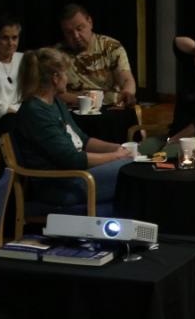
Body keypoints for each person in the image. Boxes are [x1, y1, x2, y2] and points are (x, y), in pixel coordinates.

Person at [13, 48, 130, 206]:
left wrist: (120, 147)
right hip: (62, 184)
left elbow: (84, 140)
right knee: (128, 169)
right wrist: (117, 156)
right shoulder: (35, 112)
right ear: (55, 78)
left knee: (133, 163)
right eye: (65, 74)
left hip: (77, 176)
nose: (67, 79)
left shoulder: (56, 102)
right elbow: (73, 159)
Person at [55, 4, 137, 108]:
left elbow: (126, 79)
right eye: (69, 32)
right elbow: (54, 93)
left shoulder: (110, 47)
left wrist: (127, 93)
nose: (76, 36)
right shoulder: (56, 55)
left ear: (90, 22)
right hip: (74, 110)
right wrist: (87, 101)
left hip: (109, 107)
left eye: (80, 28)